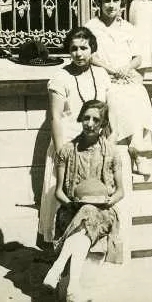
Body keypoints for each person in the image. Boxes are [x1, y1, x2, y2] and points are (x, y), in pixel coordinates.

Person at [42, 100, 124, 300]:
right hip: (71, 209)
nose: (90, 123)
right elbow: (59, 192)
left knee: (89, 212)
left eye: (96, 119)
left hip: (104, 212)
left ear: (103, 123)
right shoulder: (67, 150)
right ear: (80, 119)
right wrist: (73, 205)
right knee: (86, 214)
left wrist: (108, 201)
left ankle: (58, 267)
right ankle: (73, 287)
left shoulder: (112, 152)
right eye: (86, 118)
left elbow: (120, 192)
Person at [38, 27, 112, 245]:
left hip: (95, 145)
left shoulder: (101, 75)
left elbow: (107, 112)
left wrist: (107, 144)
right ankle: (60, 246)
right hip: (69, 144)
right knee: (67, 198)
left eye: (84, 48)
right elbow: (56, 118)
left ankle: (91, 247)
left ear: (92, 49)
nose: (79, 53)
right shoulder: (60, 77)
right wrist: (62, 151)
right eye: (74, 49)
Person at [85, 0, 152, 177]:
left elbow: (138, 58)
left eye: (115, 1)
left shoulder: (128, 28)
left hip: (125, 75)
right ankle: (136, 154)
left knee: (139, 93)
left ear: (122, 4)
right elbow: (90, 56)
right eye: (107, 1)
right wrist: (111, 70)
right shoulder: (91, 27)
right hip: (103, 74)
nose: (111, 5)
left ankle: (137, 147)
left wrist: (126, 69)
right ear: (99, 3)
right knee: (116, 98)